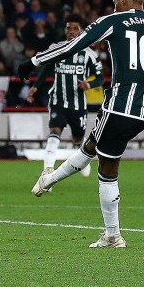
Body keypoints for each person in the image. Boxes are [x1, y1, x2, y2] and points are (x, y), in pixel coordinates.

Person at [18, 0, 144, 249]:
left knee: (106, 167)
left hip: (118, 105)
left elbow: (73, 45)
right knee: (93, 146)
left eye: (116, 2)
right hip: (143, 113)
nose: (114, 7)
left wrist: (33, 62)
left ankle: (113, 235)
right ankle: (48, 181)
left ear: (124, 0)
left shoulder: (114, 21)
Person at [26, 14, 104, 177]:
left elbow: (101, 77)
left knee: (78, 140)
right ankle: (47, 170)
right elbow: (47, 68)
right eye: (69, 28)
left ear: (82, 31)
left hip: (78, 105)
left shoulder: (89, 53)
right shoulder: (56, 47)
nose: (71, 31)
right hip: (58, 101)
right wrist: (35, 87)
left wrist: (88, 84)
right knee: (54, 132)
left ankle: (82, 159)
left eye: (75, 28)